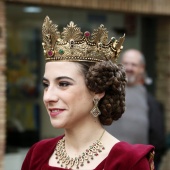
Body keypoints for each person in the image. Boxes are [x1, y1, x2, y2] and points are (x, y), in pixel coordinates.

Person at [21, 17, 155, 170]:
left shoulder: (128, 162)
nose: (48, 97)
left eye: (63, 84)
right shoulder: (38, 153)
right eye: (46, 85)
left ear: (98, 90)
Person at [105, 49, 166, 169]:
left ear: (142, 68)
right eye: (126, 64)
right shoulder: (105, 94)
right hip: (104, 162)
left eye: (133, 64)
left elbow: (158, 140)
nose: (129, 68)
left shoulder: (151, 103)